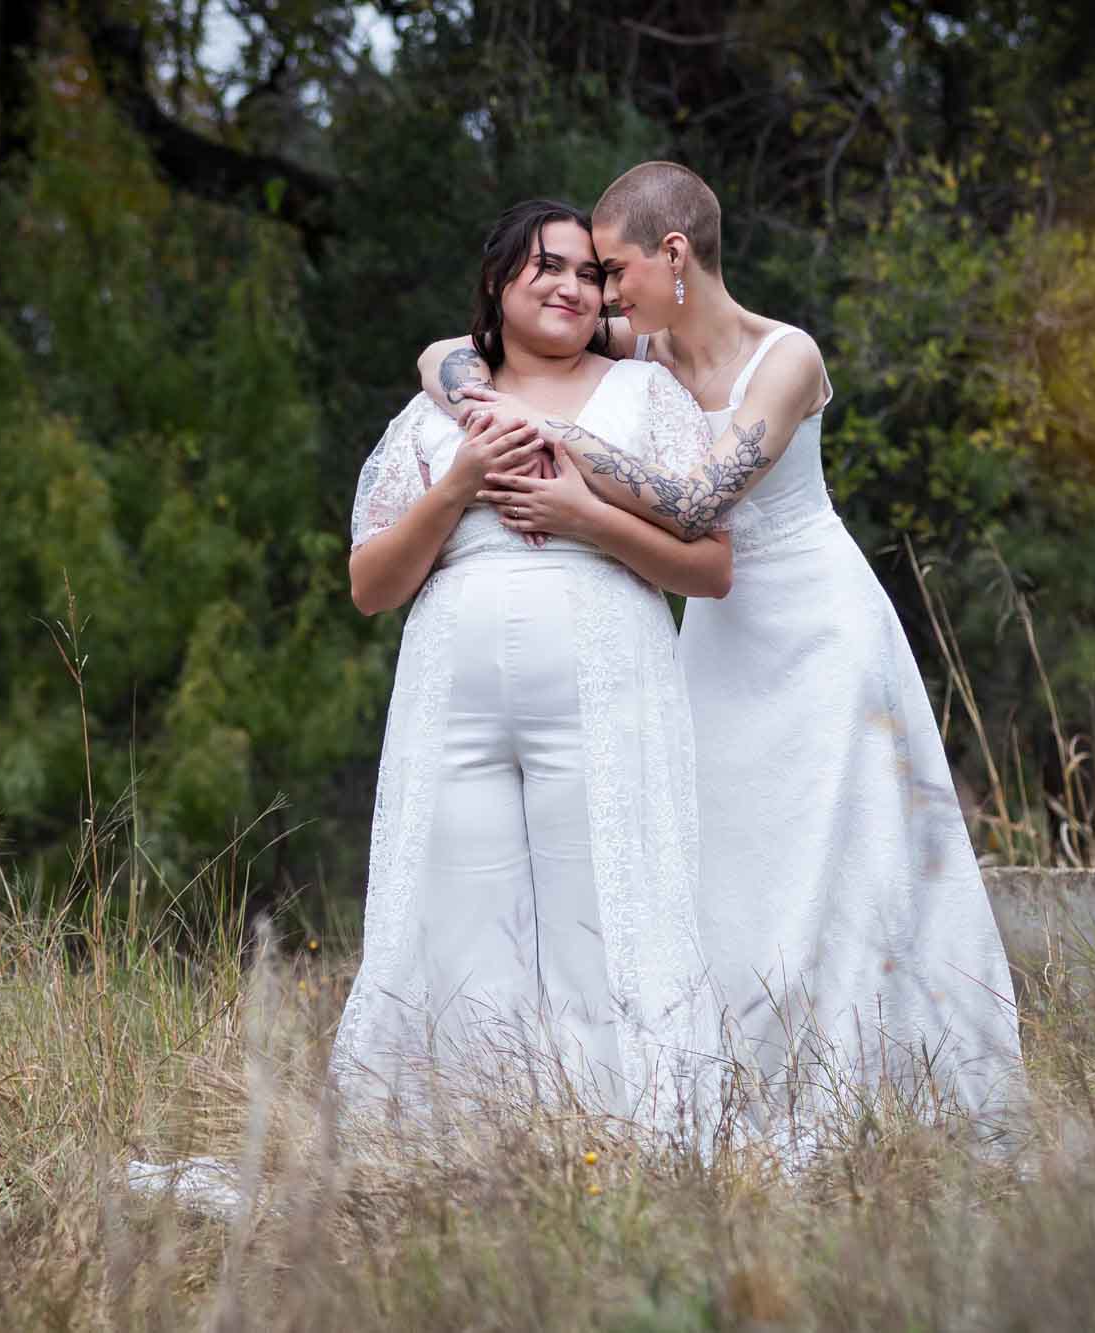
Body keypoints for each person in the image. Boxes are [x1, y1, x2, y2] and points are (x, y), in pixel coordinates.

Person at [417, 164, 1026, 1147]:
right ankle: (736, 1088)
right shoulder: (645, 344)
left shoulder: (783, 359)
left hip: (816, 627)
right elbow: (446, 349)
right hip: (714, 637)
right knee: (714, 859)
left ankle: (884, 1099)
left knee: (842, 859)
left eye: (614, 273)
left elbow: (701, 501)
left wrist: (558, 447)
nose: (603, 297)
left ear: (673, 255)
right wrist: (483, 402)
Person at [336, 198, 729, 1128]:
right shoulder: (442, 411)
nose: (571, 286)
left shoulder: (645, 396)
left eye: (591, 275)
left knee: (605, 901)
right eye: (545, 267)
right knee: (458, 908)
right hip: (452, 702)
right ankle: (470, 1135)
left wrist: (580, 516)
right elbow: (369, 586)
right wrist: (461, 484)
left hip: (606, 689)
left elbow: (711, 565)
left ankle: (625, 1128)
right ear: (496, 282)